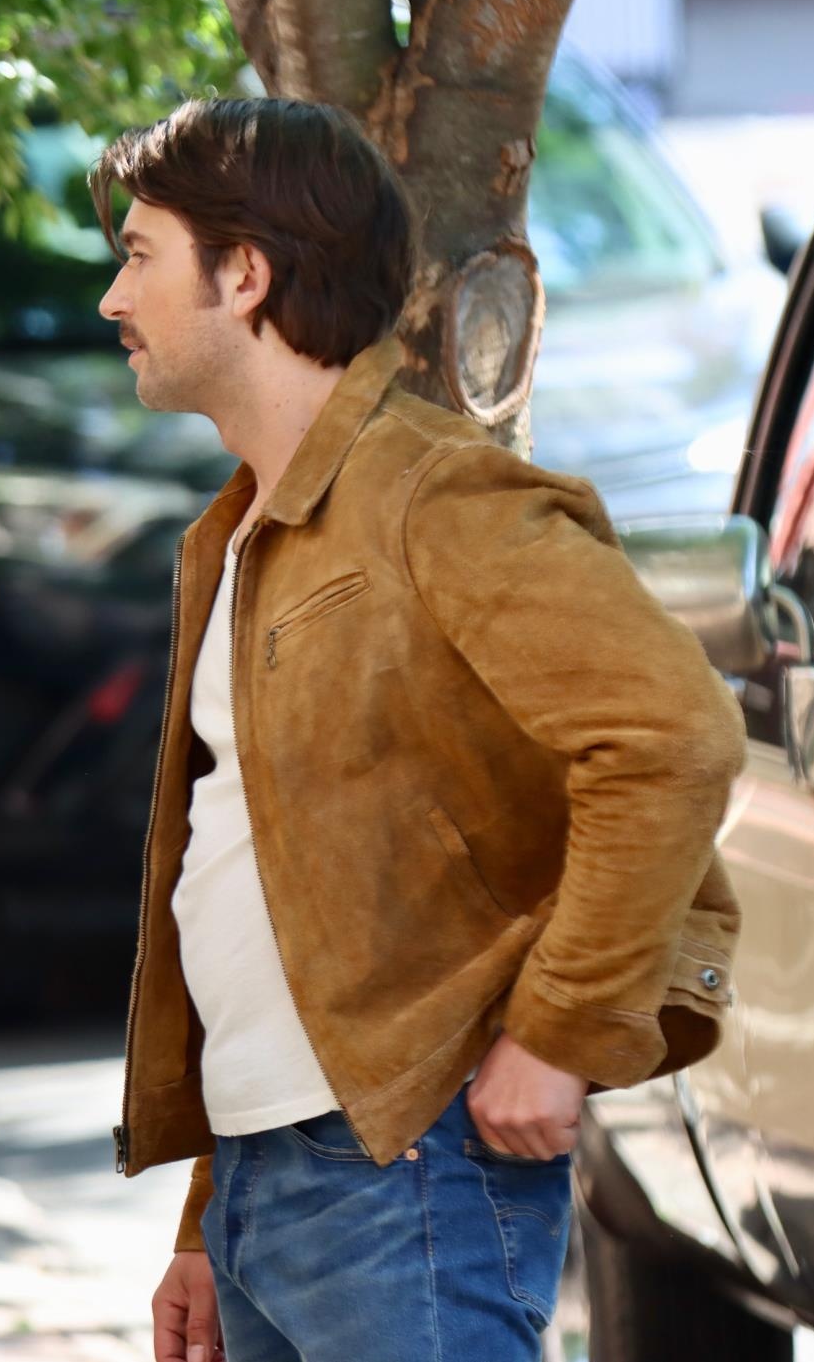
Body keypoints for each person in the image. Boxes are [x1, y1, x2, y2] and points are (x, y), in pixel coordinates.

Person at [89, 98, 745, 1362]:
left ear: (245, 273)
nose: (115, 302)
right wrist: (208, 1206)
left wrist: (557, 1034)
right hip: (273, 1177)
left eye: (139, 257)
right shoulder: (238, 531)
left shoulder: (437, 490)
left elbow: (671, 736)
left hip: (406, 1177)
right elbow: (262, 873)